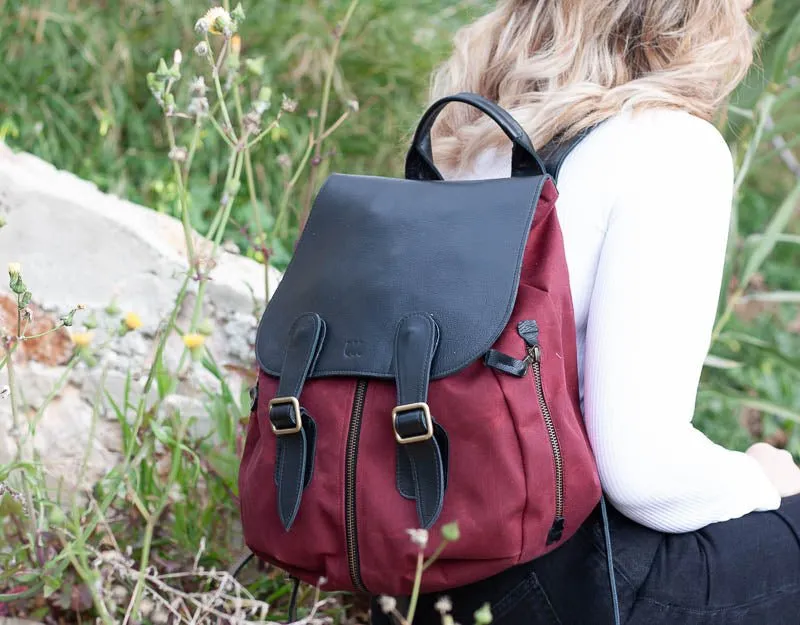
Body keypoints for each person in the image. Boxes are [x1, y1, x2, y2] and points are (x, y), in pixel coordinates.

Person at [371, 1, 800, 623]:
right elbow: (641, 472)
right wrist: (758, 477)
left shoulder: (470, 133)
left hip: (414, 565)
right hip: (550, 578)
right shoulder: (668, 145)